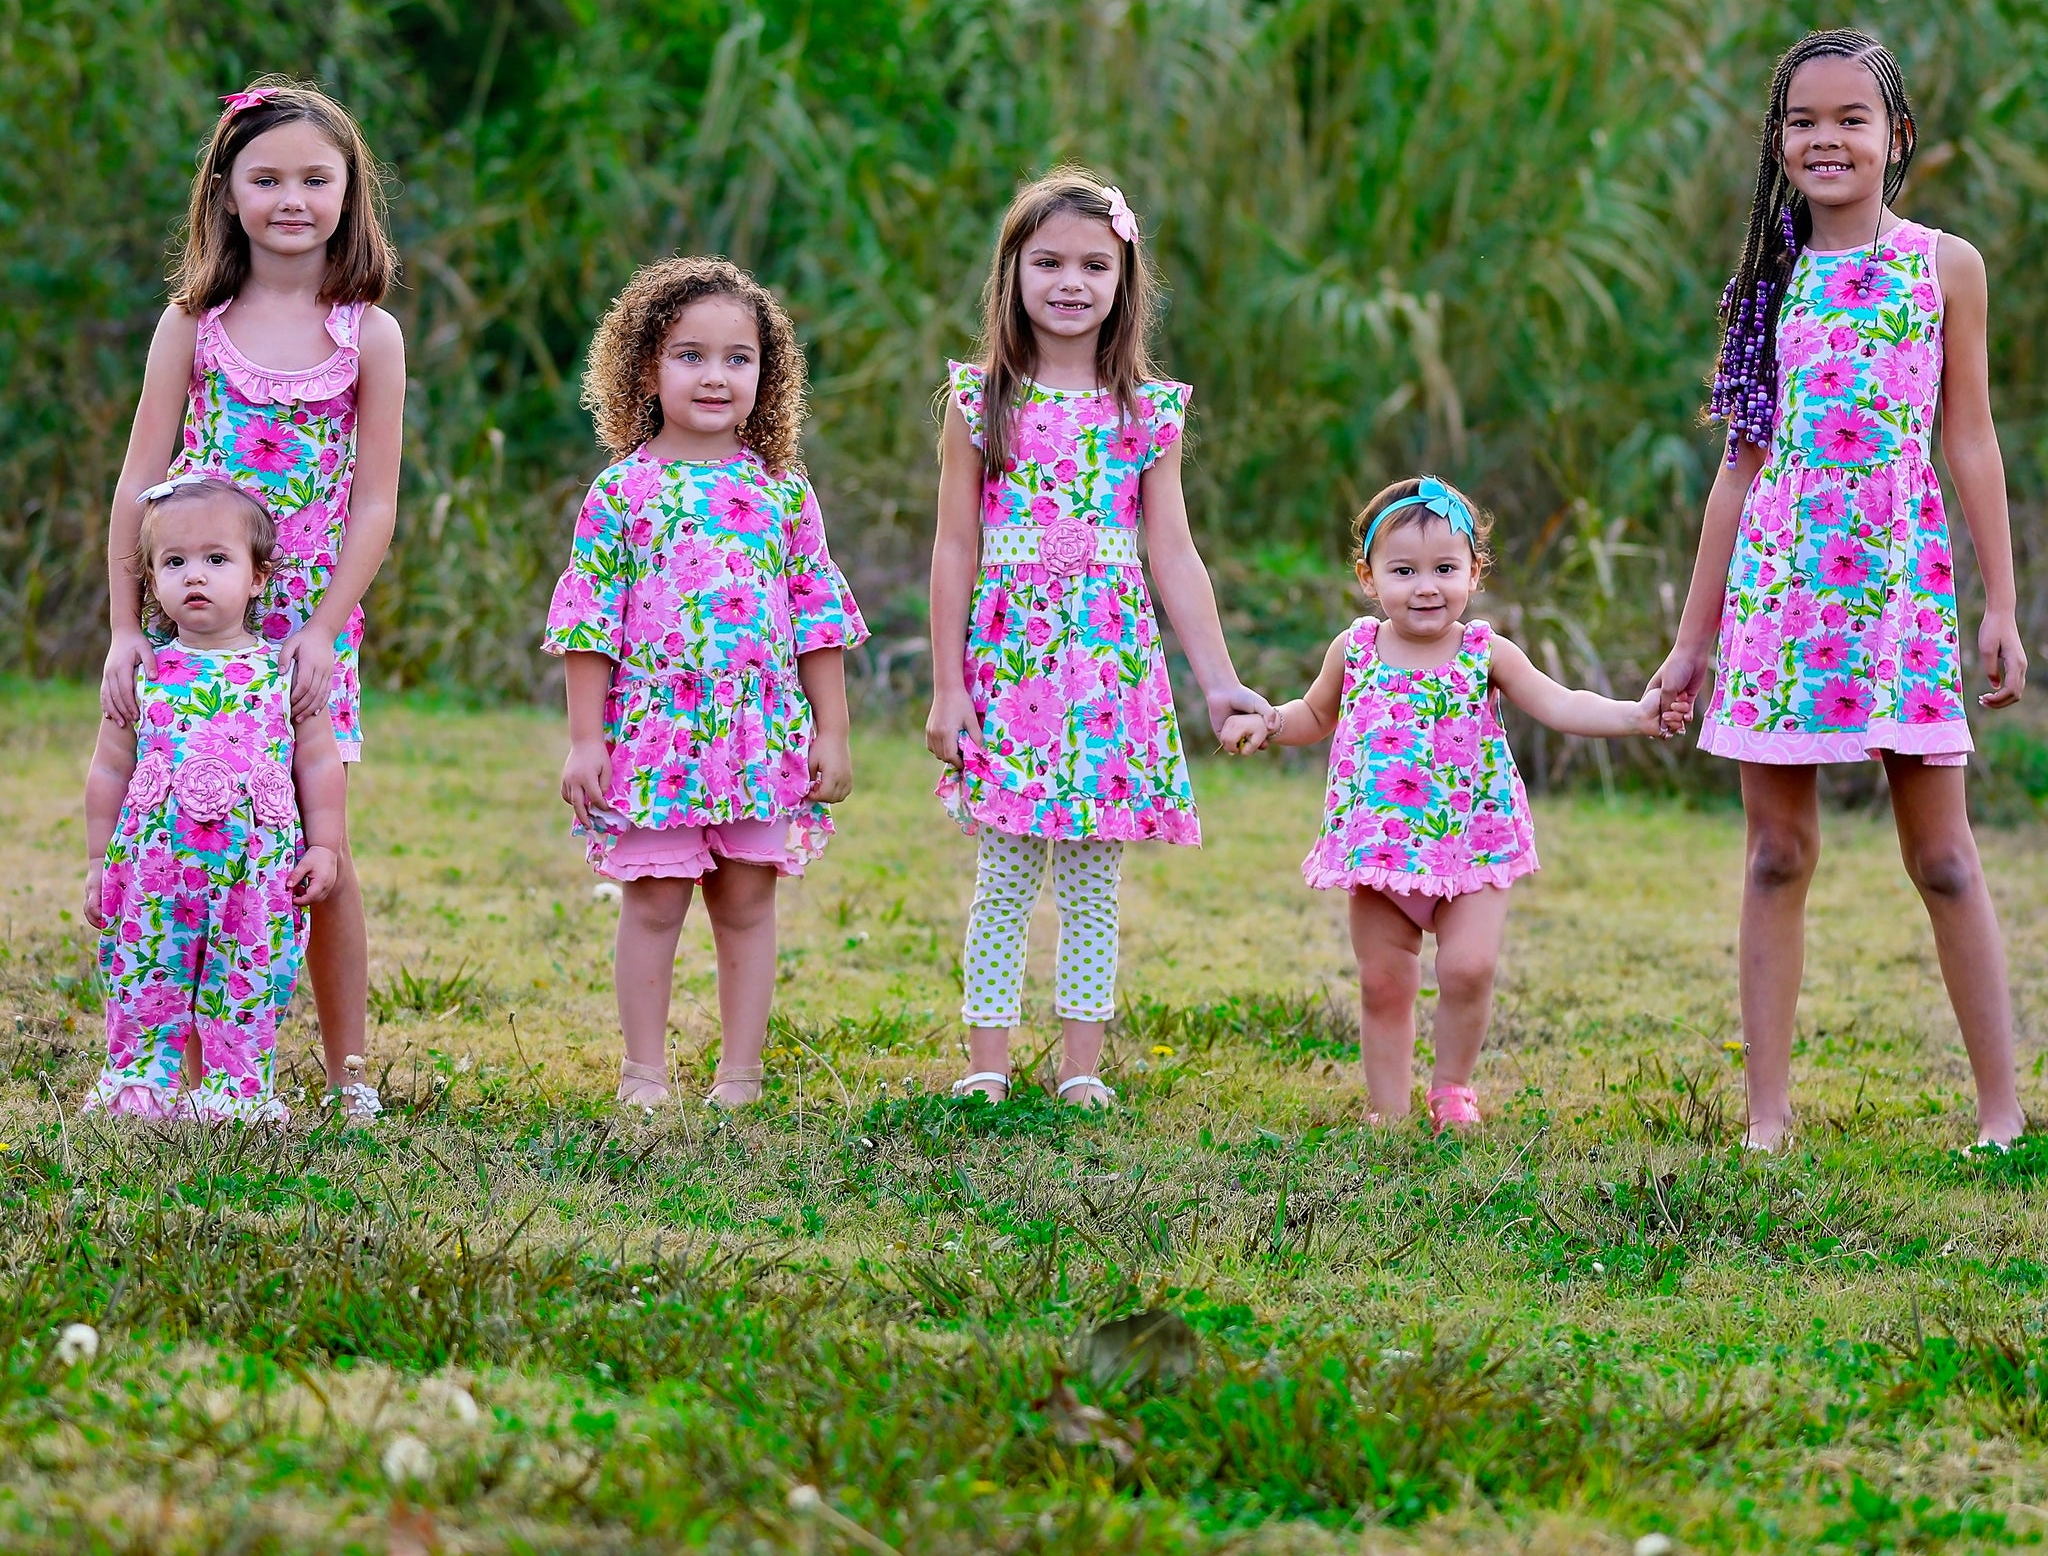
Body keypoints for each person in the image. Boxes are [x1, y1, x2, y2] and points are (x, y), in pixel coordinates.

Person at [1654, 28, 2028, 1152]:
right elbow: (1737, 471)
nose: (1825, 138)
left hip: (1898, 598)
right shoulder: (1764, 283)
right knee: (1776, 854)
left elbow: (1969, 440)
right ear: (1778, 140)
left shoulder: (1943, 266)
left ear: (1894, 137)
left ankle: (2002, 1116)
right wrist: (1691, 642)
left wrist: (2000, 603)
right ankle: (1766, 1118)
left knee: (1943, 858)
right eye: (1802, 120)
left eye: (1849, 119)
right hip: (1780, 596)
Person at [926, 169, 1275, 1110]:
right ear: (1013, 273)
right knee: (1004, 876)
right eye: (1048, 262)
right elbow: (954, 547)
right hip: (1009, 672)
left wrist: (1219, 683)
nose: (1070, 282)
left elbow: (1174, 553)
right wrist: (948, 686)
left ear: (1125, 281)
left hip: (1108, 677)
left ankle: (1081, 1068)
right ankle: (988, 1063)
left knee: (1091, 883)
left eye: (1094, 264)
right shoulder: (980, 402)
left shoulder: (1146, 413)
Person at [100, 80, 404, 1123]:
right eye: (266, 179)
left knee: (317, 842)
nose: (291, 200)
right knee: (185, 833)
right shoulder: (193, 323)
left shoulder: (368, 334)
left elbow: (375, 502)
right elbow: (139, 484)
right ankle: (186, 1068)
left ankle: (348, 1070)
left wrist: (322, 628)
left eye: (315, 179)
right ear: (226, 192)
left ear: (347, 192)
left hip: (303, 634)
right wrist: (123, 629)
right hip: (191, 622)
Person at [1224, 477, 1668, 1129]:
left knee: (1469, 968)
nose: (1426, 587)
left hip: (1472, 842)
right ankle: (1388, 1108)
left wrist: (1634, 715)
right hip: (1381, 849)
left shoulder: (1486, 652)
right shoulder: (1356, 650)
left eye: (1444, 569)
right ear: (1369, 578)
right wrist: (1267, 722)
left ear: (1474, 574)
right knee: (1383, 982)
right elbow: (1314, 715)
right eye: (1403, 570)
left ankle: (1452, 1087)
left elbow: (1560, 702)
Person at [547, 257, 865, 1110]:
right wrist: (585, 740)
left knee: (747, 902)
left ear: (768, 374)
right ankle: (644, 1072)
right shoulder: (622, 493)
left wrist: (833, 732)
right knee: (653, 904)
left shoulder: (781, 491)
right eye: (690, 355)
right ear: (646, 368)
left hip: (758, 736)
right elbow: (587, 624)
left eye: (738, 358)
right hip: (657, 737)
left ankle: (740, 1073)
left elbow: (819, 619)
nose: (716, 376)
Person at [82, 478, 344, 1122]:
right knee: (146, 971)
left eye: (216, 559)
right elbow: (109, 767)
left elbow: (318, 762)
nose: (194, 575)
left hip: (255, 874)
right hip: (154, 873)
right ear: (152, 580)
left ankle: (235, 1092)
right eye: (174, 562)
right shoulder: (142, 671)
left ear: (258, 579)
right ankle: (141, 1084)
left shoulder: (285, 672)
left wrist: (325, 845)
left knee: (248, 978)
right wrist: (96, 861)